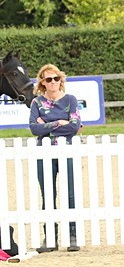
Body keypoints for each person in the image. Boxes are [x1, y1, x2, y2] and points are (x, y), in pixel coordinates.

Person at [29, 64, 82, 252]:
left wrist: (47, 124)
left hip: (66, 150)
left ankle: (73, 236)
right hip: (44, 153)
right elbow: (34, 129)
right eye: (48, 79)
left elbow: (75, 127)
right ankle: (50, 237)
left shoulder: (70, 100)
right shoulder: (37, 103)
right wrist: (59, 122)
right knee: (48, 195)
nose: (53, 82)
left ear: (61, 80)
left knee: (70, 194)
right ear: (42, 82)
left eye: (56, 78)